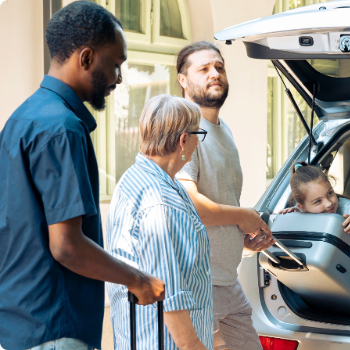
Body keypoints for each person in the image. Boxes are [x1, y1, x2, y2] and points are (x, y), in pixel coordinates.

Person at [0, 3, 165, 350]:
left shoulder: (20, 119)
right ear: (87, 58)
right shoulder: (63, 128)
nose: (119, 79)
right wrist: (137, 280)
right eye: (116, 65)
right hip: (55, 328)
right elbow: (67, 246)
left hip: (18, 323)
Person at [174, 41, 275, 350]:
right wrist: (244, 217)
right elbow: (190, 202)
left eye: (219, 67)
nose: (214, 74)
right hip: (198, 285)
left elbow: (219, 204)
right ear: (183, 80)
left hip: (228, 282)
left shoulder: (224, 131)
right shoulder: (184, 129)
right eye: (203, 69)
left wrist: (239, 239)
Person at [107, 95, 212, 350]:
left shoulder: (137, 178)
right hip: (166, 342)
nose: (200, 141)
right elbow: (169, 294)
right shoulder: (161, 203)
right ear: (183, 141)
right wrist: (194, 345)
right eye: (198, 133)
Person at [279, 163, 350, 248]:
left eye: (330, 193)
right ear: (303, 207)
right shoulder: (301, 211)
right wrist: (297, 217)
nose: (329, 203)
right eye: (318, 201)